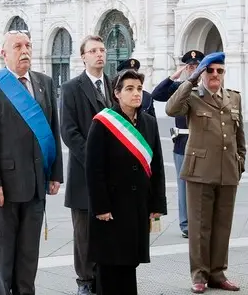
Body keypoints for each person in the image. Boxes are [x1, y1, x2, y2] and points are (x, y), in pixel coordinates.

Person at [0, 30, 63, 295]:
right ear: (4, 54)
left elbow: (52, 130)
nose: (24, 51)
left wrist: (54, 173)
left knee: (28, 257)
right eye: (17, 46)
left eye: (28, 45)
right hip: (4, 189)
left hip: (36, 184)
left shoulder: (44, 83)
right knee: (2, 257)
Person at [165, 52, 245, 294]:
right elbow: (170, 108)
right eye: (210, 71)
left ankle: (218, 273)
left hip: (227, 171)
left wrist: (240, 161)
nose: (215, 75)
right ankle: (199, 275)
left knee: (222, 226)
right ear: (202, 73)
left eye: (219, 71)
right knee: (200, 226)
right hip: (199, 171)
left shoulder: (233, 98)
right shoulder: (192, 97)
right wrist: (191, 80)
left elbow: (239, 133)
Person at [86, 69, 167, 295]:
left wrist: (157, 205)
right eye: (129, 89)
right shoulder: (103, 123)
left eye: (139, 89)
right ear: (117, 94)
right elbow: (94, 169)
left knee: (129, 263)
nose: (136, 94)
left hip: (137, 206)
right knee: (110, 265)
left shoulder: (149, 123)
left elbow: (157, 167)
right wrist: (101, 206)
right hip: (111, 207)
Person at [60, 35, 112, 295]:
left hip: (112, 175)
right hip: (83, 173)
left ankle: (104, 277)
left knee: (108, 228)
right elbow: (69, 132)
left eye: (102, 50)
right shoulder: (71, 88)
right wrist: (94, 160)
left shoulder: (114, 85)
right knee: (83, 233)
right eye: (93, 51)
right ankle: (85, 281)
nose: (99, 54)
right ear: (83, 57)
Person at [152, 49, 204, 238]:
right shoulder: (178, 87)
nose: (193, 69)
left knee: (203, 186)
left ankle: (201, 223)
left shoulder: (207, 89)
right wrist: (174, 76)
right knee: (184, 188)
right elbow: (157, 94)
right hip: (182, 144)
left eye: (197, 66)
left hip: (203, 146)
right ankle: (185, 225)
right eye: (190, 66)